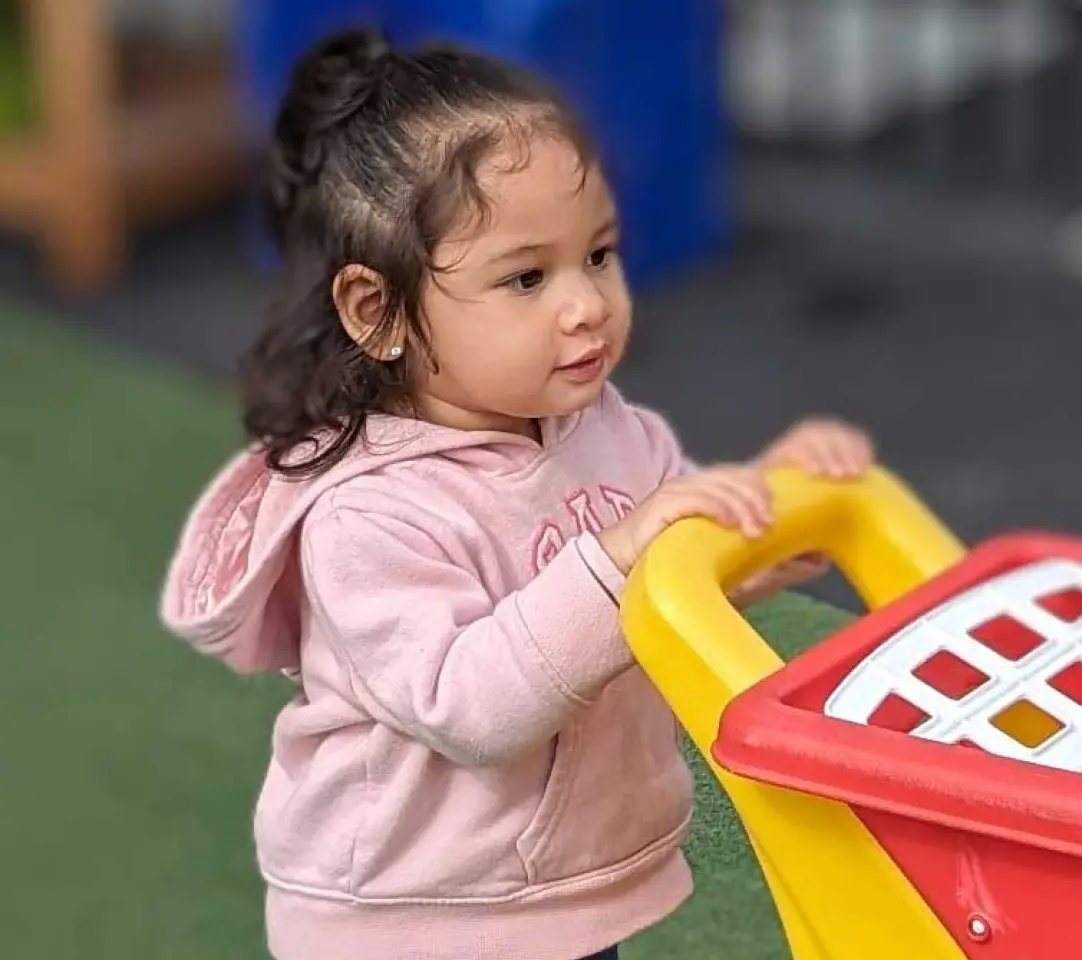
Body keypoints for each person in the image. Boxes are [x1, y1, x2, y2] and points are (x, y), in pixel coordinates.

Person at [158, 28, 874, 960]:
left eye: (601, 256)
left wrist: (767, 514)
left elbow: (675, 581)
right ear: (378, 313)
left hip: (550, 885)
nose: (584, 304)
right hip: (411, 914)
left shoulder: (614, 433)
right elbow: (472, 708)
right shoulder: (371, 516)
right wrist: (621, 556)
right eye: (527, 277)